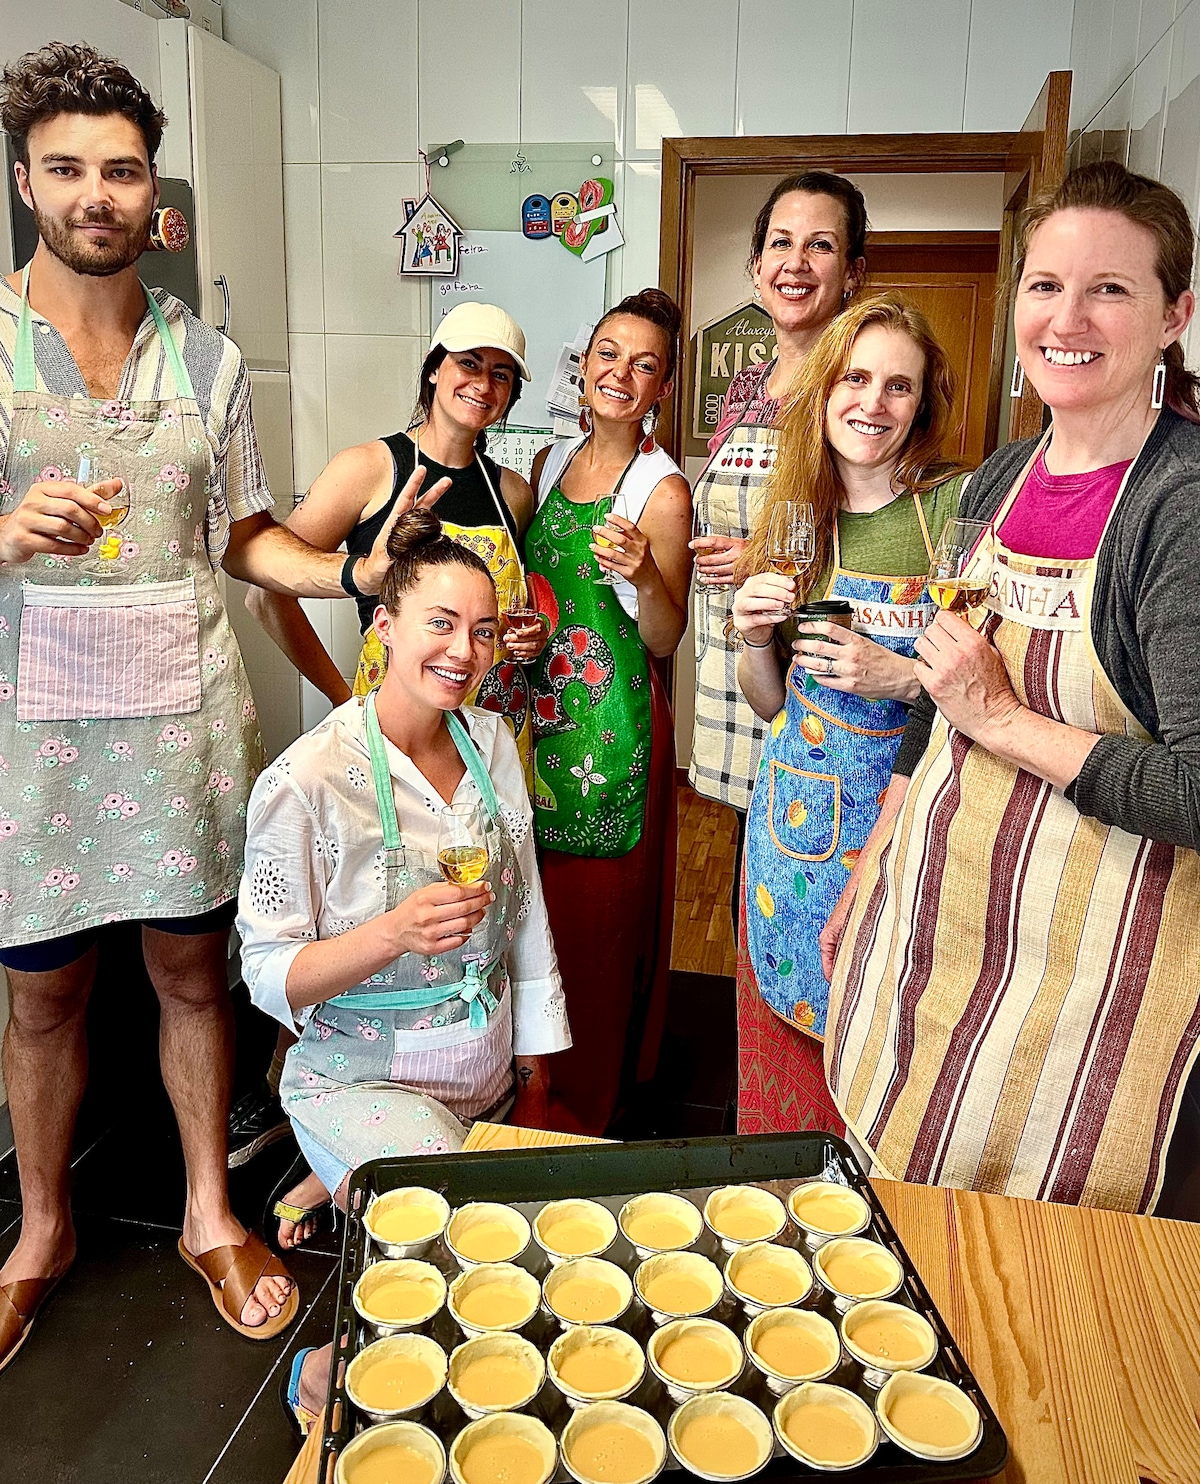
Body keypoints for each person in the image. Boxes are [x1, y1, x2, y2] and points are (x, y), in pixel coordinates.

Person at [0, 43, 411, 1368]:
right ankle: (42, 1231)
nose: (96, 193)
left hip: (180, 722)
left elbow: (246, 539)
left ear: (151, 189)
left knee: (189, 971)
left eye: (120, 169)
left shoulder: (209, 360)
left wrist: (349, 567)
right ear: (26, 181)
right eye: (67, 168)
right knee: (44, 993)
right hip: (37, 733)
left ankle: (204, 1207)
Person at [823, 161, 1200, 1218]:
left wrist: (1001, 716)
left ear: (1177, 313)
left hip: (1080, 990)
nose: (1066, 318)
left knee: (1015, 1281)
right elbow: (944, 689)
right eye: (1044, 285)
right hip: (937, 940)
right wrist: (875, 861)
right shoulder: (999, 480)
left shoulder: (1178, 511)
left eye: (1110, 289)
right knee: (897, 1222)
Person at [236, 509, 569, 1433]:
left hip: (477, 1063)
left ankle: (336, 1186)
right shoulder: (307, 781)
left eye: (485, 629)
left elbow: (526, 904)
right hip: (355, 1072)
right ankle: (321, 1366)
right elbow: (267, 974)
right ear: (383, 624)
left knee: (472, 1254)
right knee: (465, 1240)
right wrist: (389, 933)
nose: (465, 650)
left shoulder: (491, 743)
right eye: (440, 622)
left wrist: (537, 1047)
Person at [232, 303, 544, 1169]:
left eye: (502, 373)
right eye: (466, 364)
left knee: (470, 928)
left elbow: (502, 611)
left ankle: (427, 1106)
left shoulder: (512, 490)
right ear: (433, 368)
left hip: (478, 740)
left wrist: (518, 640)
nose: (481, 384)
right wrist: (340, 694)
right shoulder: (371, 467)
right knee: (364, 926)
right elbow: (270, 588)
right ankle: (327, 1112)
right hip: (378, 742)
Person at [730, 296, 966, 1136]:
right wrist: (755, 636)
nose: (873, 403)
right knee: (785, 1078)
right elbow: (770, 704)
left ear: (924, 403)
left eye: (898, 386)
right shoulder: (795, 516)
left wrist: (899, 677)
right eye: (856, 378)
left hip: (904, 823)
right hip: (791, 821)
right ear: (825, 390)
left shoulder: (953, 514)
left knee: (888, 1060)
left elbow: (983, 692)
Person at [525, 289, 692, 1136]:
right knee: (535, 918)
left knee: (594, 931)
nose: (621, 374)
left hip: (615, 728)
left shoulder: (660, 491)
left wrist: (646, 576)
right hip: (543, 722)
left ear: (662, 387)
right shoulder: (549, 465)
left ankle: (584, 1109)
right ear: (583, 363)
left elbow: (665, 637)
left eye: (645, 364)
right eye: (608, 354)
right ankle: (530, 1088)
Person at [688, 173, 868, 932]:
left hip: (811, 675)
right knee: (746, 884)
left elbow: (876, 528)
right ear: (756, 267)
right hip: (732, 659)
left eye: (820, 245)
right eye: (780, 243)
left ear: (852, 272)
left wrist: (763, 552)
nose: (796, 262)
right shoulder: (750, 383)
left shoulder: (854, 382)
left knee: (797, 898)